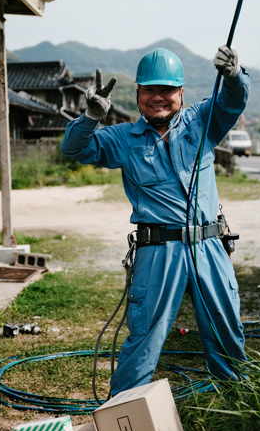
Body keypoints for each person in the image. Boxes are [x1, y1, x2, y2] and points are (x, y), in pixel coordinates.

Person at [61, 46, 250, 395]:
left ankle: (239, 409)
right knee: (145, 336)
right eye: (149, 90)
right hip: (158, 250)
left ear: (181, 92)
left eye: (167, 90)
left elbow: (233, 102)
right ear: (137, 94)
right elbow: (74, 149)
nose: (158, 98)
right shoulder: (121, 138)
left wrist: (234, 76)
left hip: (210, 245)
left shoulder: (204, 121)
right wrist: (90, 117)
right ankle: (124, 417)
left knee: (227, 329)